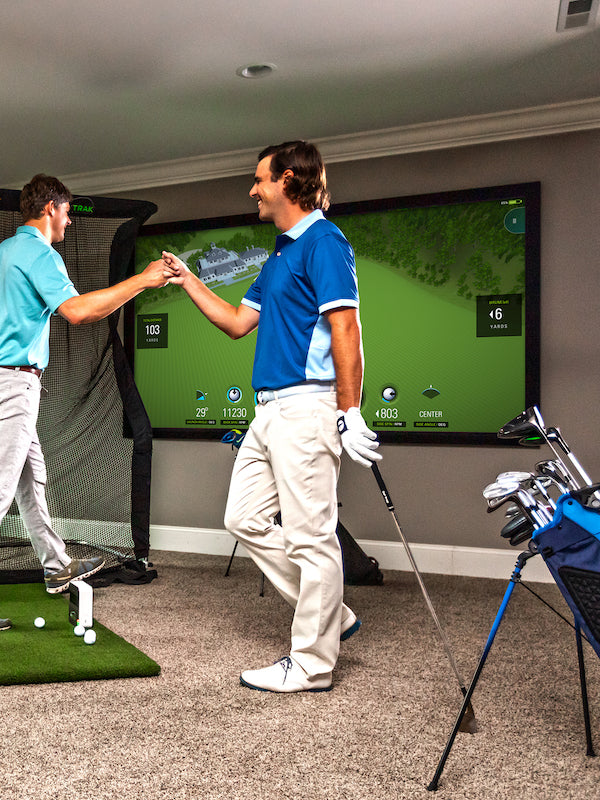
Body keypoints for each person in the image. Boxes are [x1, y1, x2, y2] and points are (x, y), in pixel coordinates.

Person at [160, 141, 380, 691]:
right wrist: (189, 280)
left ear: (287, 180)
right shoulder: (282, 251)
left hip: (308, 406)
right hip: (268, 411)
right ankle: (332, 613)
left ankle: (311, 664)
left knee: (312, 539)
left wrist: (349, 411)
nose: (252, 189)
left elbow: (346, 329)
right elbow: (237, 322)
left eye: (258, 180)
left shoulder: (325, 242)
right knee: (242, 518)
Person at [0, 174, 178, 632]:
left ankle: (55, 563)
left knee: (30, 479)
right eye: (67, 211)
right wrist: (143, 281)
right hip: (14, 384)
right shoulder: (41, 254)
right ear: (50, 208)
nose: (69, 220)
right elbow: (80, 312)